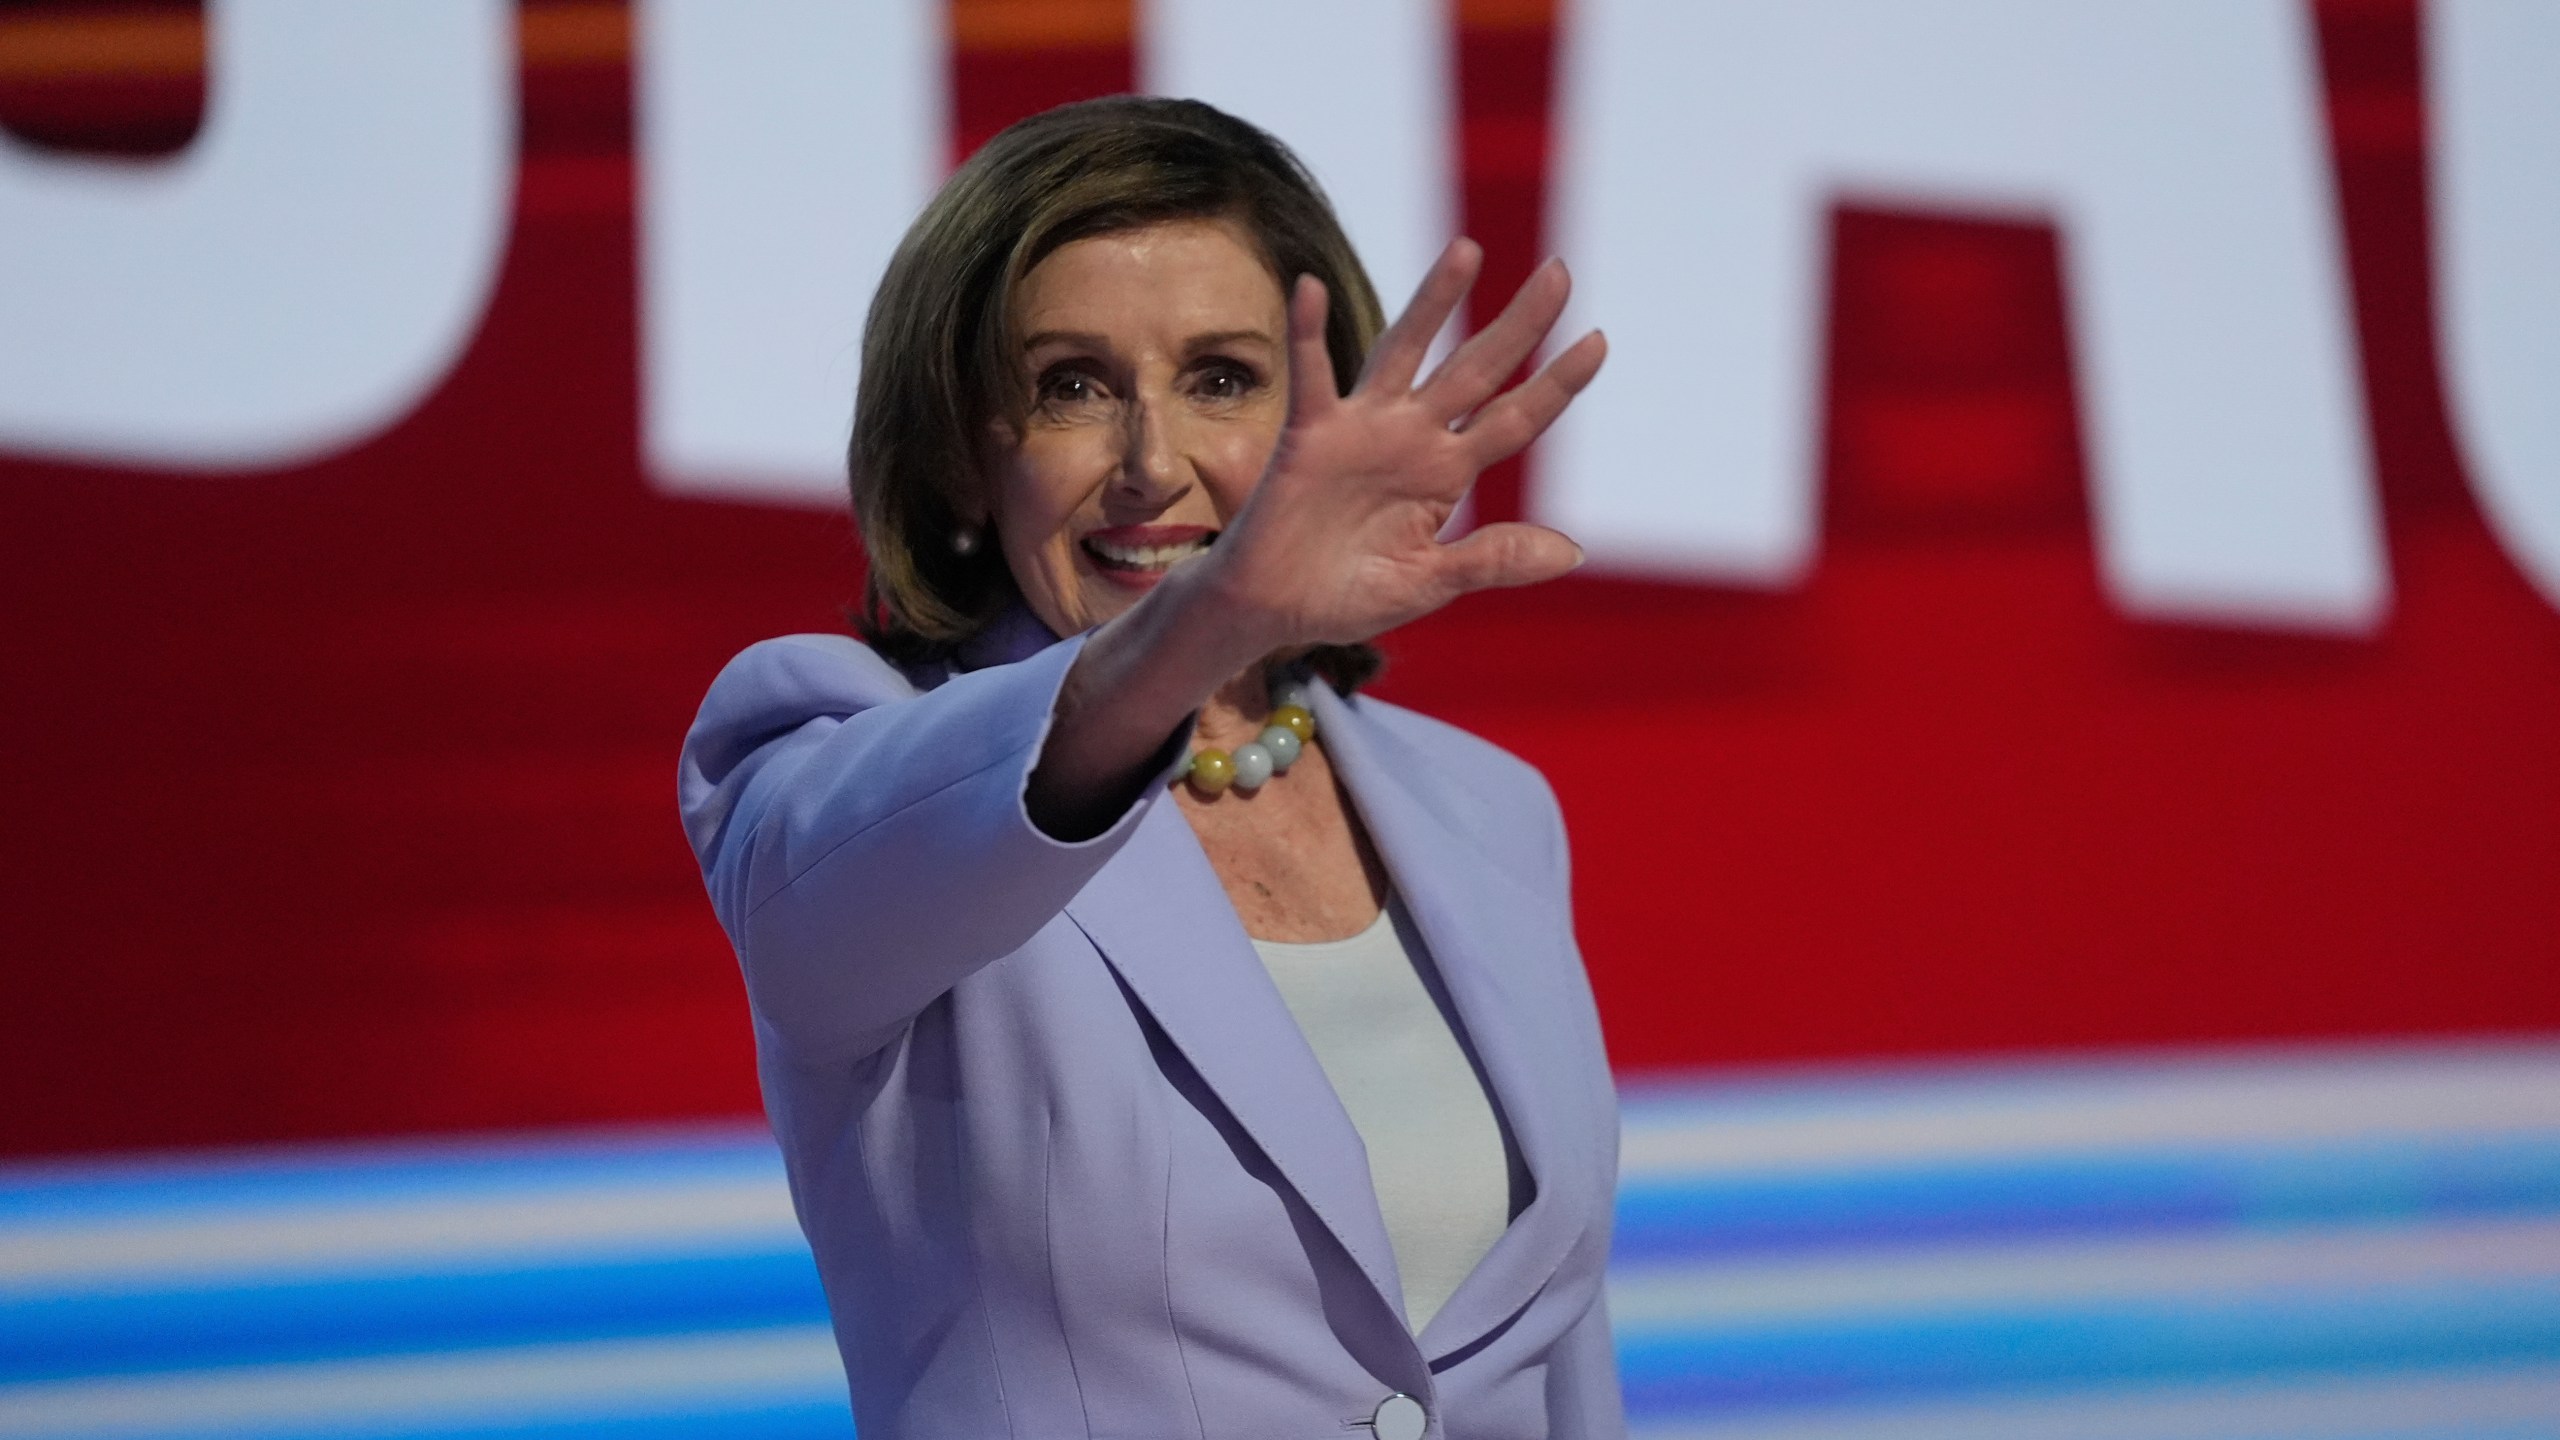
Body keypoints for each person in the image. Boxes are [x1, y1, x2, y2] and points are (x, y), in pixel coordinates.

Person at [678, 95, 1619, 1440]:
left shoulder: (1486, 808)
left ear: (1320, 416)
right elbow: (822, 917)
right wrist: (1216, 616)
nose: (1151, 462)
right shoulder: (831, 758)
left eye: (1223, 379)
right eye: (1071, 387)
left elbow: (1560, 1356)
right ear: (958, 459)